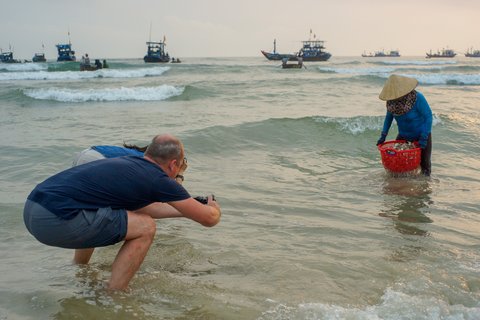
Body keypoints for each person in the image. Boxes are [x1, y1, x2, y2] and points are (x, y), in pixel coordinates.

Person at [23, 134, 221, 290]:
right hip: (54, 220)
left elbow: (144, 208)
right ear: (173, 164)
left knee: (132, 218)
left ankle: (80, 268)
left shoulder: (126, 164)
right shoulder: (158, 178)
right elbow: (209, 219)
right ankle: (115, 291)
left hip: (33, 210)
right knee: (145, 227)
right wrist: (212, 209)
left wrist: (185, 209)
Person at [376, 74, 433, 176]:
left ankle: (424, 188)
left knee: (425, 166)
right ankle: (401, 187)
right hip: (403, 136)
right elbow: (388, 118)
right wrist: (383, 135)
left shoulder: (417, 98)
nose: (395, 97)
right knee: (397, 163)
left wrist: (424, 136)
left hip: (421, 136)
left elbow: (428, 117)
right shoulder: (391, 103)